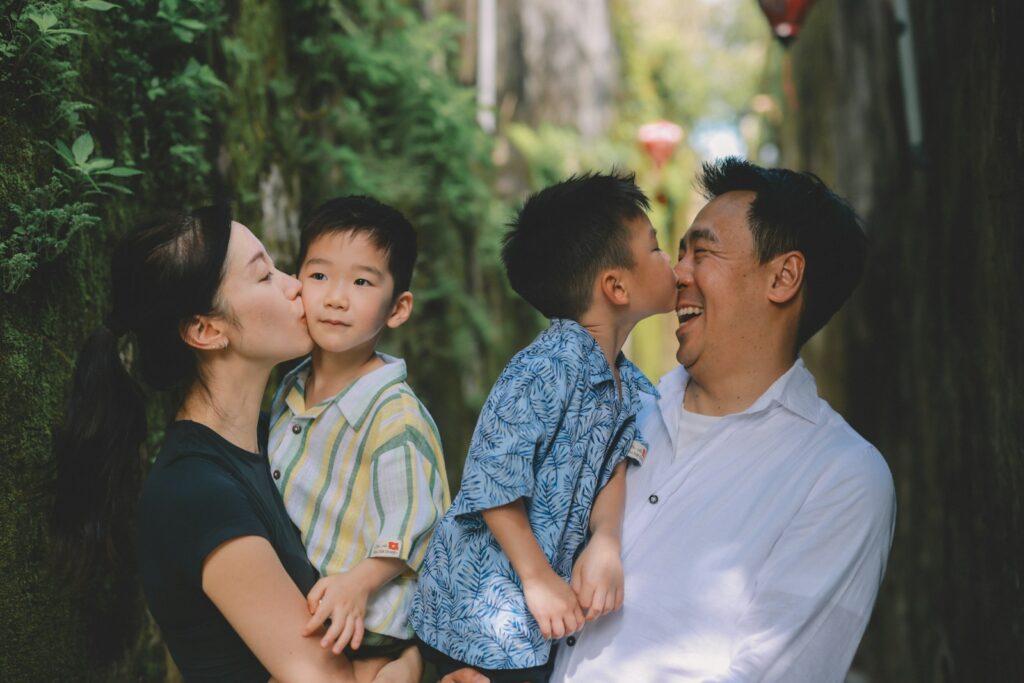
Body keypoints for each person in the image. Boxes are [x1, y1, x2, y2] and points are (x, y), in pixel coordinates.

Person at [51, 207, 421, 682]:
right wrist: (411, 660)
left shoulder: (286, 440)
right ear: (207, 330)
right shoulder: (196, 494)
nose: (295, 285)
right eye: (265, 275)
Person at [410, 171, 679, 682]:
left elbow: (616, 469)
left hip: (533, 618)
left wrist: (605, 541)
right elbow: (491, 478)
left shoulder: (630, 385)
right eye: (657, 248)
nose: (672, 262)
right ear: (616, 286)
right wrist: (536, 578)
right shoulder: (549, 365)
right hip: (480, 609)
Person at [267, 197, 450, 680]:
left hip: (368, 633)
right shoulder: (290, 386)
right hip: (309, 618)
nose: (335, 297)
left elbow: (416, 521)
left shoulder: (395, 416)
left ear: (398, 308)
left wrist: (357, 583)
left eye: (362, 282)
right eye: (320, 275)